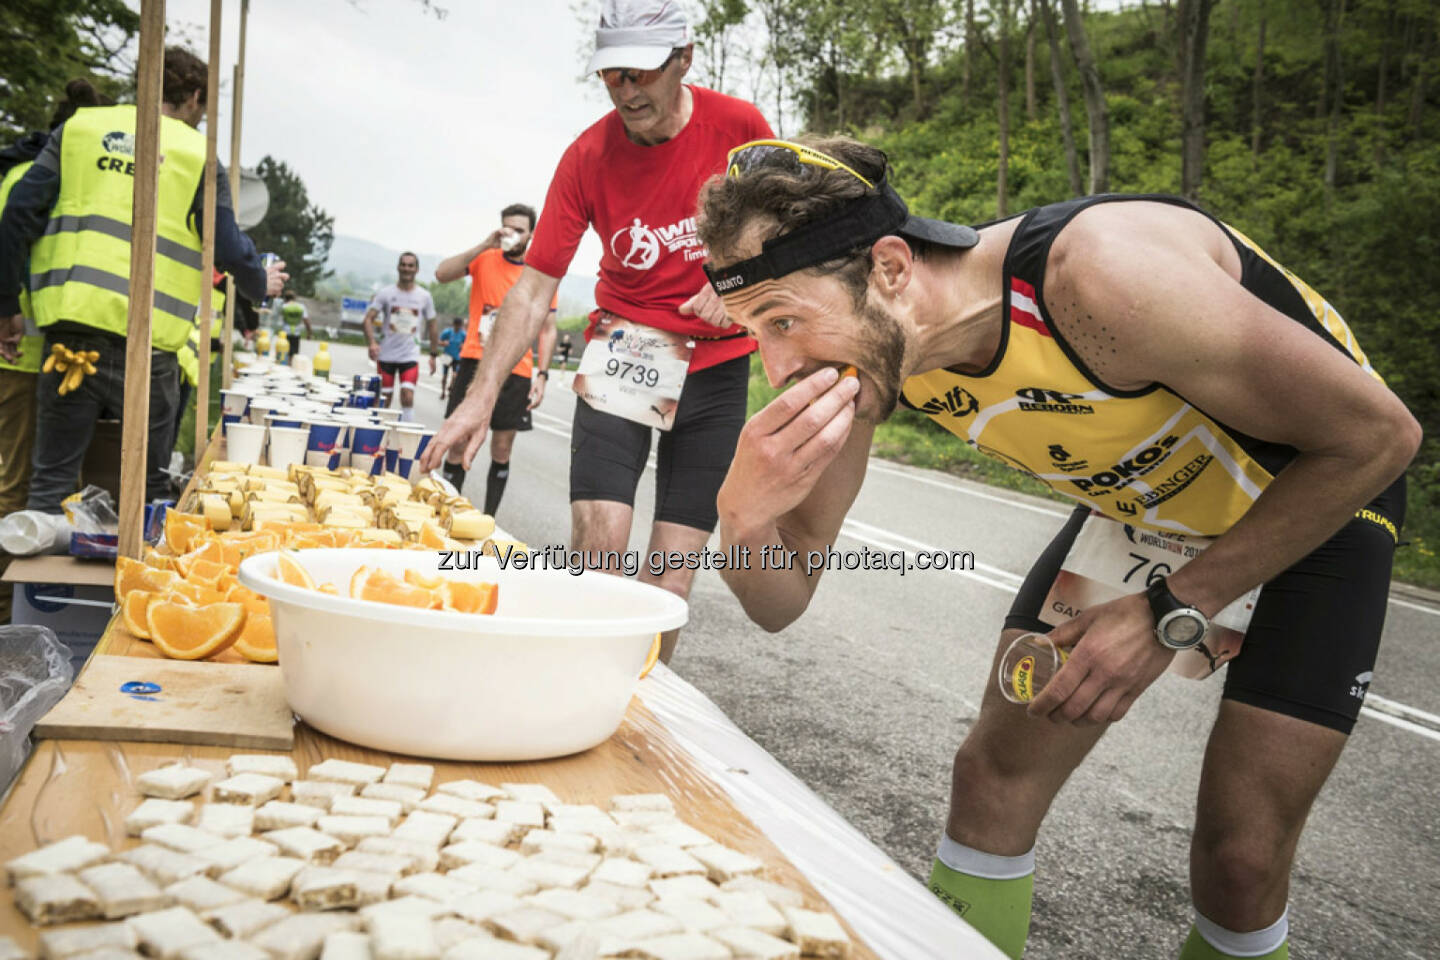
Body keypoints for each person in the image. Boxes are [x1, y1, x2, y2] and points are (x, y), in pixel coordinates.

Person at [694, 136, 1420, 960]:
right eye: (756, 331)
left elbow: (1377, 437)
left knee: (1241, 860)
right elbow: (782, 601)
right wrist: (742, 519)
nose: (778, 363)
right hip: (1144, 510)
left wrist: (1170, 612)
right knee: (992, 780)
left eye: (784, 319)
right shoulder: (878, 351)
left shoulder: (1100, 276)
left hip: (1310, 494)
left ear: (891, 268)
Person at [420, 0, 773, 660]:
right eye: (613, 76)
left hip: (717, 364)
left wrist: (742, 283)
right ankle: (583, 694)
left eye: (641, 73)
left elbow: (785, 223)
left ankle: (642, 712)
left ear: (683, 61)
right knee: (600, 549)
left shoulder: (740, 127)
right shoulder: (587, 155)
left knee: (670, 578)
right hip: (626, 351)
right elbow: (533, 290)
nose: (627, 91)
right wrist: (476, 400)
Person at [0, 47, 284, 514]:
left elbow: (17, 215)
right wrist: (260, 286)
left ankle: (38, 585)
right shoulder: (198, 154)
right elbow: (228, 245)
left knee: (49, 485)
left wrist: (8, 304)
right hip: (148, 352)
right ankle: (134, 579)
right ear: (195, 97)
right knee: (144, 490)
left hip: (72, 340)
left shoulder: (81, 129)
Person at [0, 79, 108, 624]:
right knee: (19, 486)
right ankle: (6, 614)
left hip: (37, 350)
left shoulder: (34, 170)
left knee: (31, 482)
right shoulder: (42, 176)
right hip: (21, 352)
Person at [433, 203, 558, 515]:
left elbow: (548, 329)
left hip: (517, 369)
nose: (512, 234)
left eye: (519, 229)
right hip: (475, 360)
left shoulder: (540, 274)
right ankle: (449, 512)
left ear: (532, 234)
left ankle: (488, 520)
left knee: (501, 447)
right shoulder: (484, 258)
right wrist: (485, 244)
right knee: (458, 443)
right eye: (507, 227)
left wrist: (542, 375)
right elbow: (441, 273)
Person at [362, 251, 436, 420]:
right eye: (403, 265)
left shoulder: (424, 296)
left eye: (410, 265)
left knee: (407, 396)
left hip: (409, 355)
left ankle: (405, 439)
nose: (406, 268)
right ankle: (378, 438)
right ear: (398, 267)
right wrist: (372, 343)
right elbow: (368, 319)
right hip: (387, 354)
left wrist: (433, 354)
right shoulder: (386, 293)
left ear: (417, 269)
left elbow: (432, 323)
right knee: (384, 400)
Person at [279, 290, 310, 360]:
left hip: (284, 333)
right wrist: (309, 332)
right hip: (296, 333)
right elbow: (306, 321)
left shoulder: (284, 306)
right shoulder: (301, 307)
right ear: (294, 298)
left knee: (283, 353)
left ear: (285, 298)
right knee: (294, 355)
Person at [438, 316, 464, 399]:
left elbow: (467, 345)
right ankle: (443, 392)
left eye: (459, 325)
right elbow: (439, 341)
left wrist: (463, 346)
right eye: (456, 325)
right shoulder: (447, 332)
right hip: (447, 356)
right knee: (444, 377)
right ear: (453, 325)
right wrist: (443, 343)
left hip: (457, 358)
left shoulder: (463, 334)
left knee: (455, 375)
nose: (458, 327)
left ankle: (451, 386)